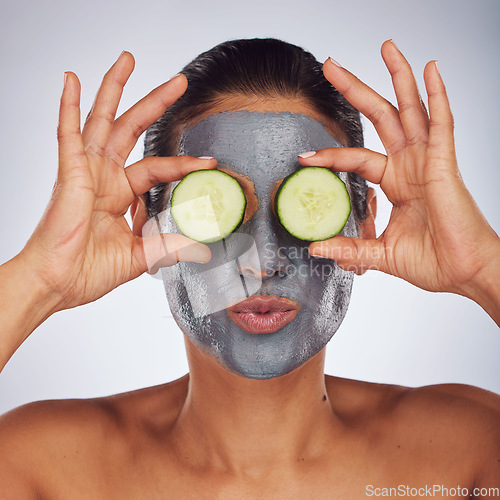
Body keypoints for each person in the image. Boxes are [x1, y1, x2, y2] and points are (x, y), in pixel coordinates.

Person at [0, 37, 499, 498]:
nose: (261, 263)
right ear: (147, 229)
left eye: (307, 206)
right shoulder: (38, 468)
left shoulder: (470, 452)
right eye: (214, 211)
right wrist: (40, 278)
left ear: (363, 222)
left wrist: (482, 267)